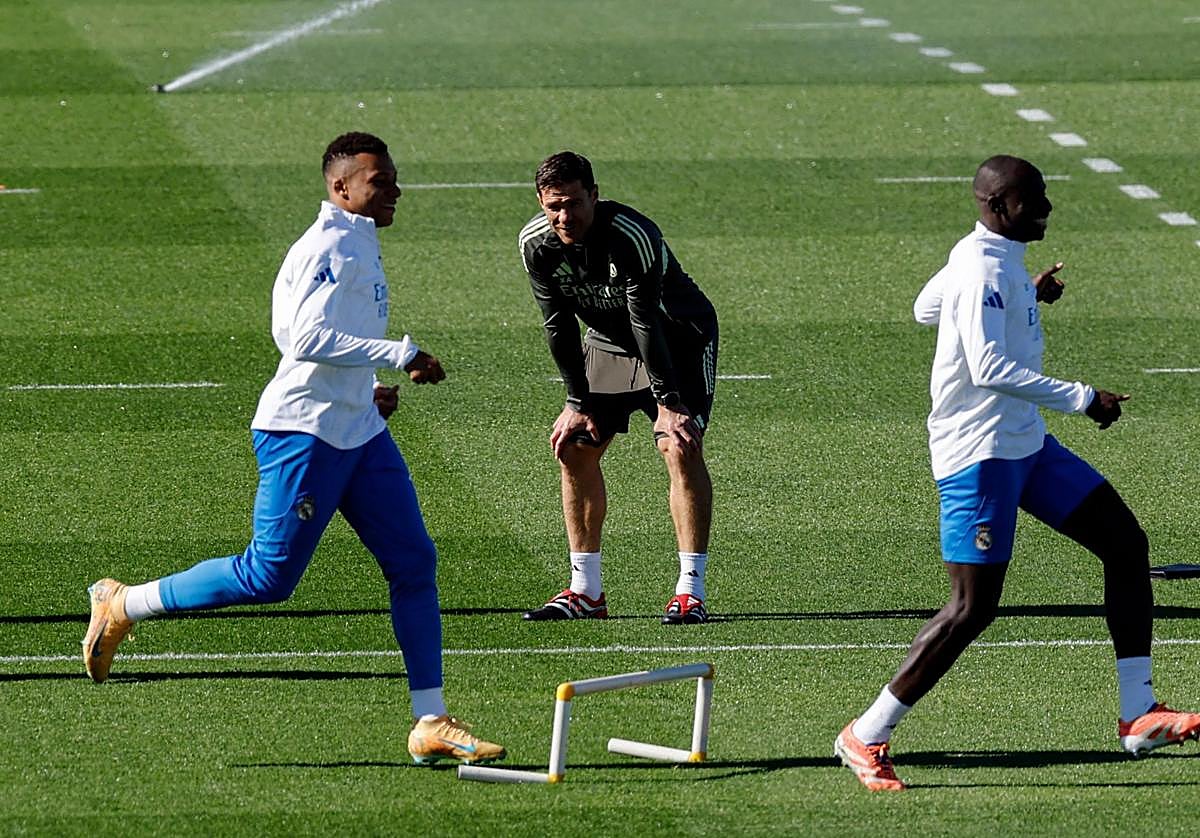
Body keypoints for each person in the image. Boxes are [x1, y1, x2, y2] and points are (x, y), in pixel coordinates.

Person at [82, 131, 505, 767]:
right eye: (380, 181)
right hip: (304, 432)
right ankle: (123, 603)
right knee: (268, 578)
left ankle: (430, 719)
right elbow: (303, 338)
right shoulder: (330, 245)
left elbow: (318, 334)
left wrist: (364, 387)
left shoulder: (355, 239)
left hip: (358, 428)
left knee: (414, 561)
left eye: (393, 178)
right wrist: (401, 353)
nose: (395, 190)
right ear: (341, 187)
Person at [835, 154, 1200, 791]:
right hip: (979, 454)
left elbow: (926, 308)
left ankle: (1139, 713)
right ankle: (866, 733)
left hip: (1026, 446)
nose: (1048, 208)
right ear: (999, 207)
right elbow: (987, 369)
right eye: (1035, 200)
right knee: (971, 608)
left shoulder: (986, 259)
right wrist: (1083, 398)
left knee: (1124, 543)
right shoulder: (980, 267)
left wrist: (1022, 295)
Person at [518, 151, 718, 624]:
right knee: (574, 447)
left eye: (574, 203)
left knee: (679, 446)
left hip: (677, 339)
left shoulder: (631, 234)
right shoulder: (536, 244)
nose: (564, 217)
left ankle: (690, 591)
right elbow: (557, 324)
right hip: (608, 342)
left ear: (594, 195)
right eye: (553, 206)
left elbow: (644, 319)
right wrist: (576, 401)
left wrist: (668, 402)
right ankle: (585, 591)